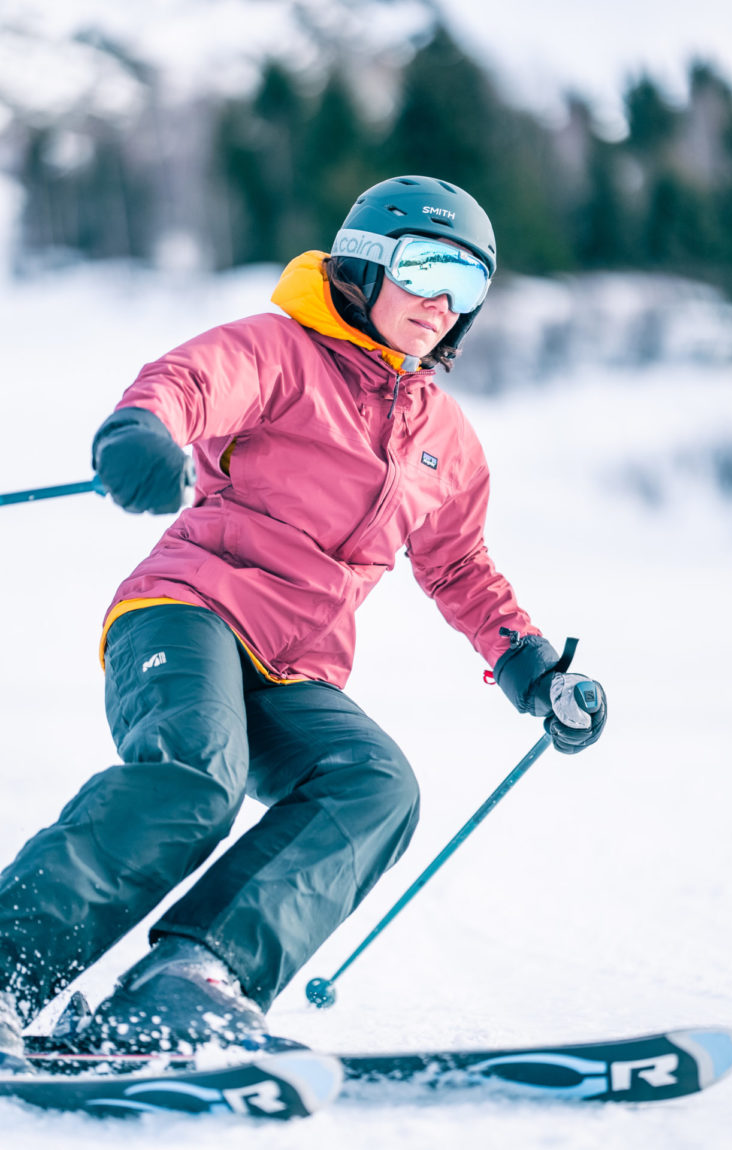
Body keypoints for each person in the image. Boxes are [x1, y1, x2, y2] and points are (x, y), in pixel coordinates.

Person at [0, 175, 606, 1070]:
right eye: (426, 268)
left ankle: (191, 981)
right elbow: (188, 382)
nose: (442, 302)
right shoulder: (283, 352)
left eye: (468, 284)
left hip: (299, 665)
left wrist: (533, 668)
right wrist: (140, 433)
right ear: (364, 265)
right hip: (189, 608)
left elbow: (460, 567)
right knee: (198, 780)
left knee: (376, 786)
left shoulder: (448, 441)